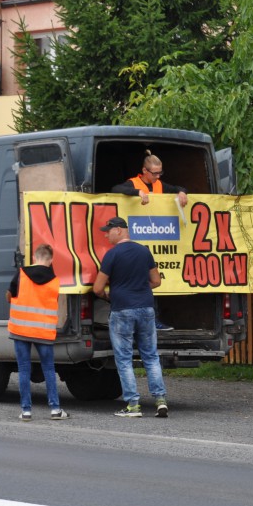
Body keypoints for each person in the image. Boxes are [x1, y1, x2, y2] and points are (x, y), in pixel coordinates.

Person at [92, 216, 169, 418]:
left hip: (122, 310)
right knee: (151, 355)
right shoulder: (144, 251)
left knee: (124, 358)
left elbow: (98, 287)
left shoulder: (112, 254)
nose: (106, 234)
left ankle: (133, 405)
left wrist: (109, 294)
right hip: (146, 307)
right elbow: (156, 281)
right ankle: (160, 401)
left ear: (119, 230)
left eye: (108, 231)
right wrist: (140, 288)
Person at [111, 150, 187, 331]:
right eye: (155, 173)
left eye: (160, 173)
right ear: (144, 171)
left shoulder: (159, 184)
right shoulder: (134, 182)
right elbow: (116, 189)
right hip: (138, 243)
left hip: (157, 239)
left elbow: (177, 187)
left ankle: (155, 321)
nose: (158, 176)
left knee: (157, 282)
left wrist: (182, 192)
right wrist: (136, 192)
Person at [7, 243, 68, 421]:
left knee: (24, 369)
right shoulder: (55, 281)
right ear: (52, 260)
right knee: (49, 369)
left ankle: (26, 411)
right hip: (43, 332)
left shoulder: (21, 273)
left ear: (34, 257)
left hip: (21, 330)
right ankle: (55, 409)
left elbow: (9, 295)